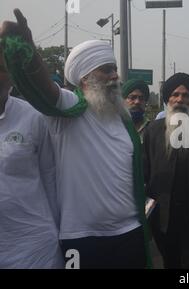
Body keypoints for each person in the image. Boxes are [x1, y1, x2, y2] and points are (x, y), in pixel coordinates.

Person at [0, 9, 151, 268]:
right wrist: (27, 46)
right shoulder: (69, 110)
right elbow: (43, 88)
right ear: (85, 78)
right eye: (106, 70)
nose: (115, 75)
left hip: (130, 232)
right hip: (82, 240)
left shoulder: (123, 120)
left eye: (114, 68)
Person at [143, 72, 189, 268]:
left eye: (185, 95)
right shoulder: (153, 130)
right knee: (170, 261)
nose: (180, 99)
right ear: (167, 99)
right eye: (175, 94)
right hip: (162, 215)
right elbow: (146, 170)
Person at [0, 47, 63, 269]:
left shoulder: (32, 117)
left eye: (2, 69)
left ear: (12, 75)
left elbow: (51, 179)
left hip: (34, 249)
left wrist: (60, 234)